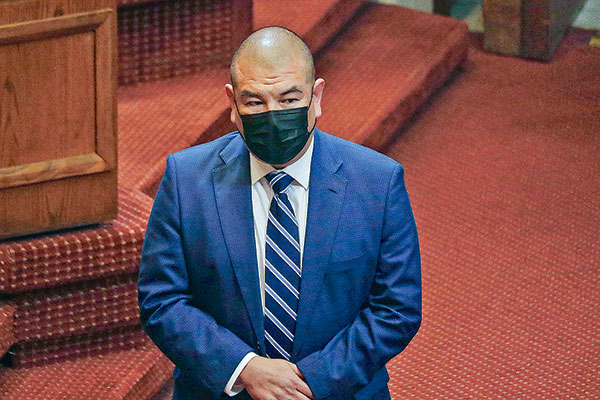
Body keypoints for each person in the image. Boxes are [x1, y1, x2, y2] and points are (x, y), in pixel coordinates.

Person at [138, 26, 422, 400]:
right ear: (233, 103)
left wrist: (309, 381)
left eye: (290, 100)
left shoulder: (378, 182)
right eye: (255, 102)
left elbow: (396, 308)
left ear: (316, 97)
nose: (274, 117)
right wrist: (245, 369)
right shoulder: (186, 179)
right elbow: (162, 299)